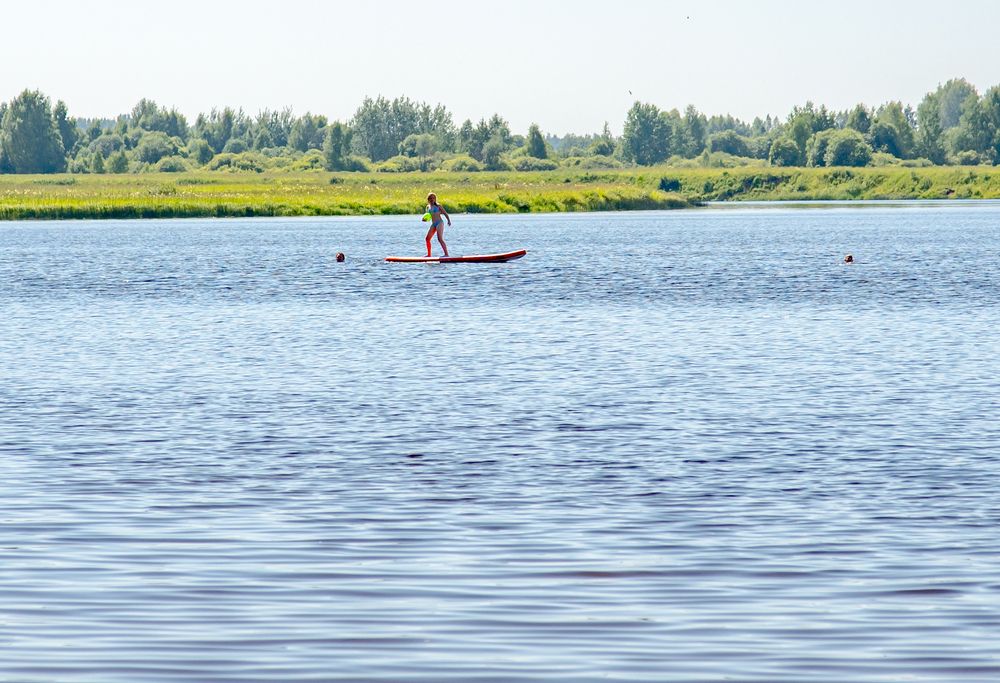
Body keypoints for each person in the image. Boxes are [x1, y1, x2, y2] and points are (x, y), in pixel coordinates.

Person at [424, 192, 451, 257]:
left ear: (435, 199)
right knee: (427, 239)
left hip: (439, 223)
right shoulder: (428, 207)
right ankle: (429, 255)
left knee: (440, 239)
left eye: (433, 198)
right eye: (430, 198)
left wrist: (448, 220)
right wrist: (424, 219)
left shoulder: (438, 206)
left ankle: (446, 254)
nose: (432, 199)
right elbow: (428, 217)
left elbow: (445, 213)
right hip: (433, 224)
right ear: (428, 199)